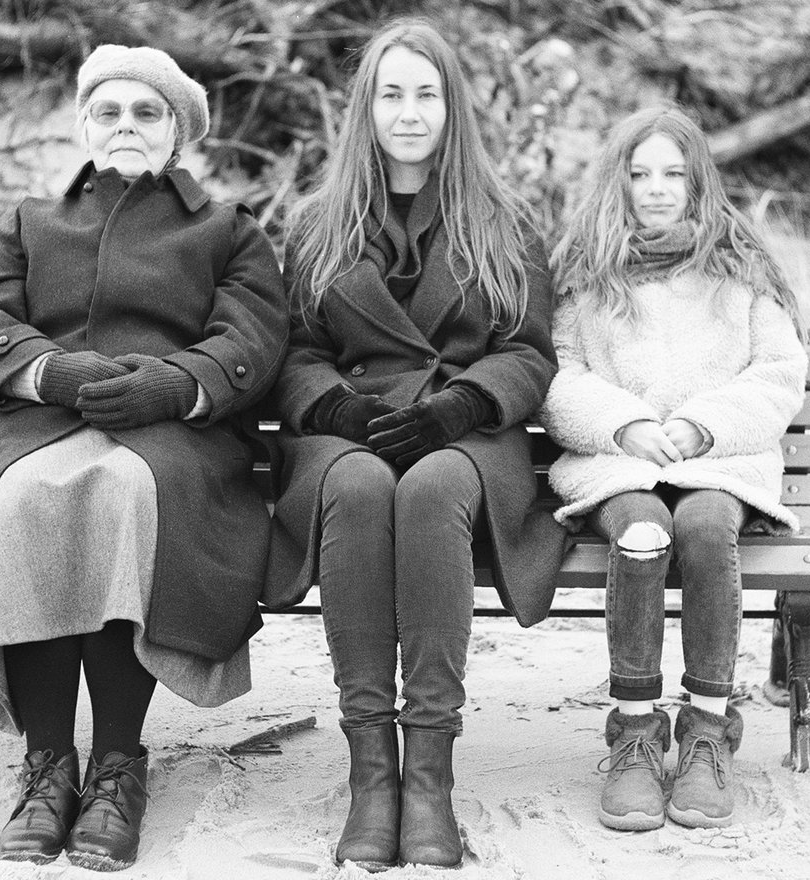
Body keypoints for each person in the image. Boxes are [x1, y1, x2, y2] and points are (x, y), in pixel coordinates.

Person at [0, 45, 287, 871]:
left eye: (147, 114)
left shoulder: (228, 230)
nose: (125, 127)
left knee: (119, 490)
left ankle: (117, 764)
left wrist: (174, 385)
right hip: (41, 427)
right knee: (31, 497)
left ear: (177, 133)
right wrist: (50, 369)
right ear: (84, 124)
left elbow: (253, 337)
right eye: (108, 112)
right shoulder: (31, 222)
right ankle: (48, 765)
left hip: (172, 441)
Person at [264, 18, 565, 871]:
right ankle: (373, 776)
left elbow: (530, 350)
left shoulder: (502, 222)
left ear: (451, 106)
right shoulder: (320, 224)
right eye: (390, 94)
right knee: (359, 489)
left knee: (431, 487)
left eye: (425, 94)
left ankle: (428, 777)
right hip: (349, 435)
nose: (408, 112)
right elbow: (295, 352)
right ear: (366, 108)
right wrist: (338, 411)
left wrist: (462, 406)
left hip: (467, 439)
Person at [538, 105, 809, 832]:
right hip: (618, 465)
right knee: (643, 533)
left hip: (719, 463)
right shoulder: (588, 273)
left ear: (697, 182)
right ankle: (633, 730)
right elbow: (557, 375)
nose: (657, 188)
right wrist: (624, 423)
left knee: (705, 523)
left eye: (673, 173)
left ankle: (707, 729)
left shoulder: (739, 267)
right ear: (618, 183)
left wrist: (701, 425)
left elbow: (780, 372)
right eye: (640, 174)